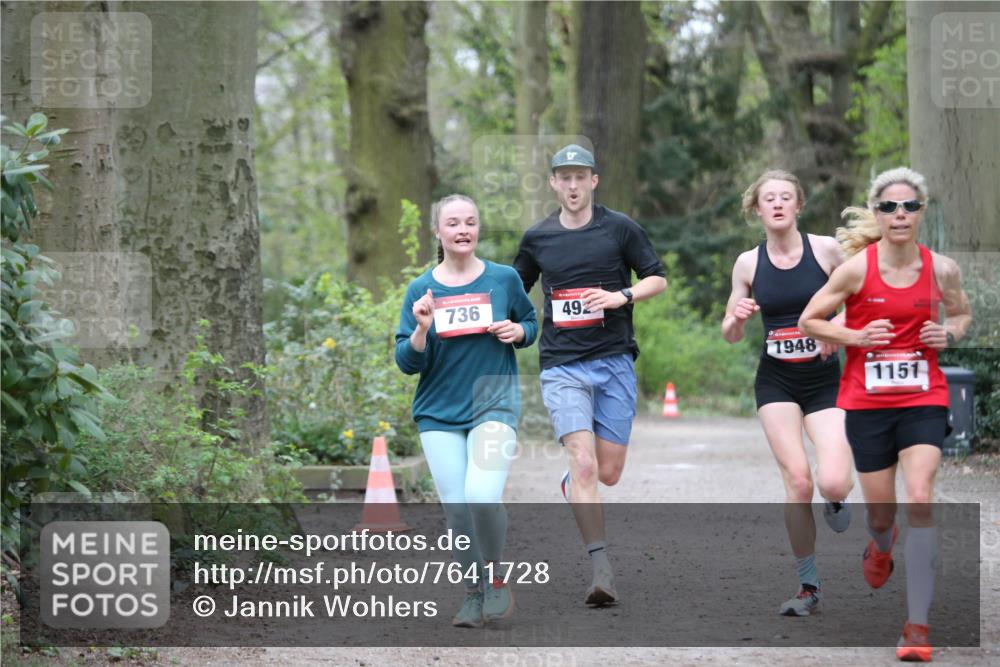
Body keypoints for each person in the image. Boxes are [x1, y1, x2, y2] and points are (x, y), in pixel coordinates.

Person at [799, 167, 972, 662]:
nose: (900, 215)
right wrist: (854, 337)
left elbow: (960, 313)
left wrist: (951, 333)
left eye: (910, 207)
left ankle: (917, 628)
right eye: (890, 207)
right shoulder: (856, 270)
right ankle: (880, 543)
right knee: (881, 514)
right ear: (877, 213)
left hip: (924, 397)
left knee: (919, 497)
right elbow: (810, 320)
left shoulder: (943, 269)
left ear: (921, 213)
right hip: (867, 404)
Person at [513, 144, 667, 606]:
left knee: (609, 473)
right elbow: (512, 289)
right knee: (584, 464)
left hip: (614, 359)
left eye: (582, 176)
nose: (574, 185)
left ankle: (574, 487)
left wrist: (623, 296)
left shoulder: (619, 228)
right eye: (565, 177)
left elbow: (657, 277)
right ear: (554, 183)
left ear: (594, 180)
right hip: (561, 364)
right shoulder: (537, 237)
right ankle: (601, 569)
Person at [395, 194, 538, 628]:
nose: (462, 230)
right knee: (456, 507)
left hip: (494, 401)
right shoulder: (421, 288)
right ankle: (473, 593)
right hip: (438, 410)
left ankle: (495, 576)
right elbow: (406, 362)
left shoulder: (504, 278)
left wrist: (518, 331)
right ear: (437, 232)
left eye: (470, 223)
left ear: (478, 230)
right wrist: (421, 329)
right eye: (453, 223)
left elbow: (530, 323)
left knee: (481, 495)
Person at [721, 170, 854, 617]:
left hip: (825, 379)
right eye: (768, 198)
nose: (777, 204)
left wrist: (837, 325)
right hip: (775, 380)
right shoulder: (747, 263)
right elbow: (730, 334)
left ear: (798, 205)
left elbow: (864, 297)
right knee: (798, 481)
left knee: (831, 480)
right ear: (756, 209)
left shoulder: (826, 250)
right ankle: (808, 586)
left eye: (785, 197)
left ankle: (836, 498)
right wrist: (737, 318)